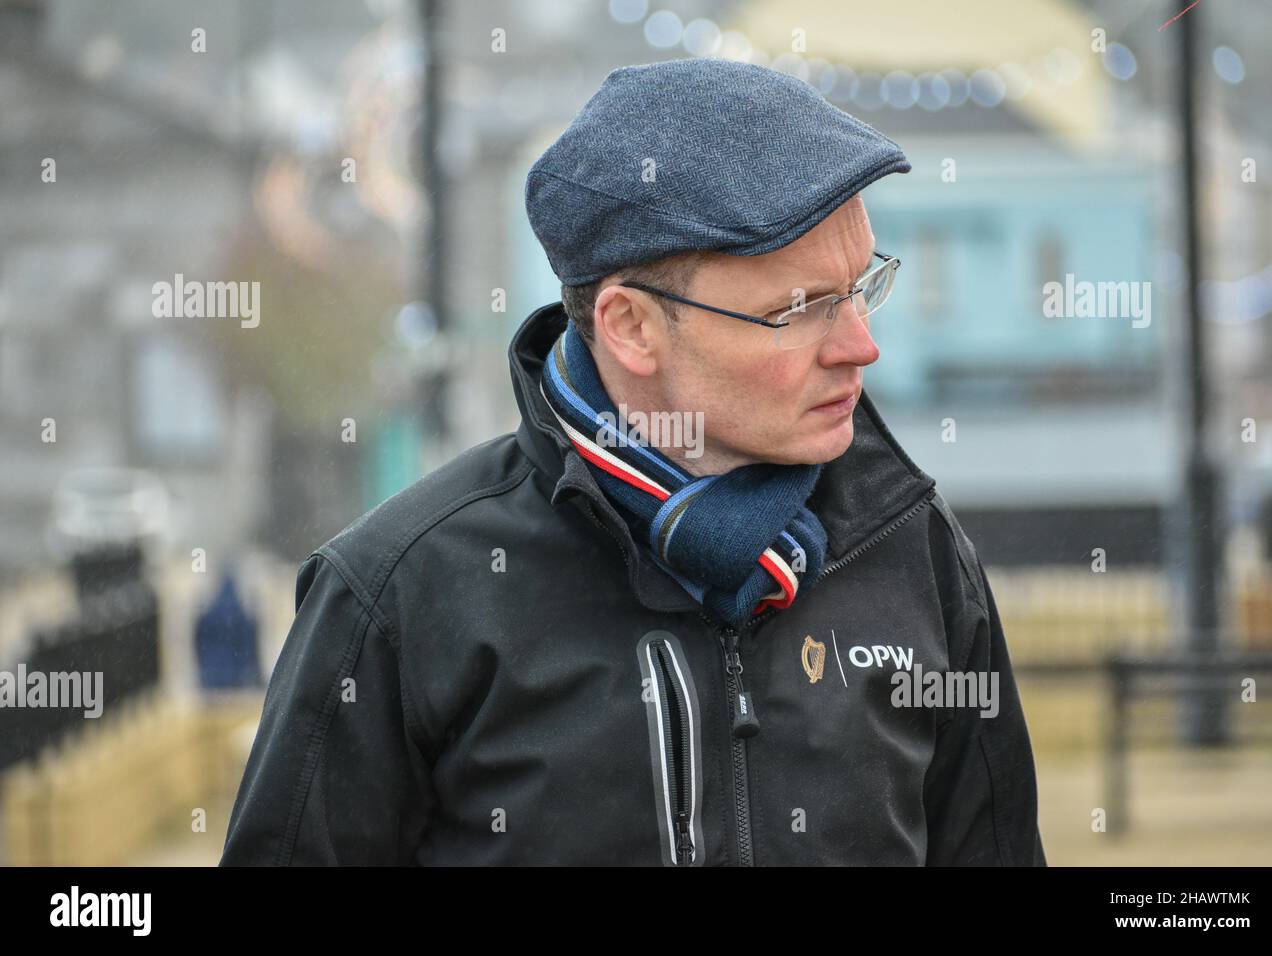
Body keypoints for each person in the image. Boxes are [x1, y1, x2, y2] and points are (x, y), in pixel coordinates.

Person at [220, 58, 1046, 866]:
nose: (861, 347)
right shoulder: (400, 594)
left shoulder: (913, 548)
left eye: (861, 287)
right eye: (798, 310)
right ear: (631, 327)